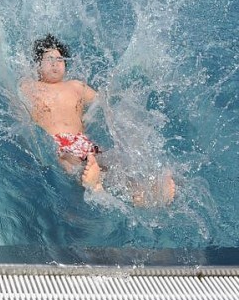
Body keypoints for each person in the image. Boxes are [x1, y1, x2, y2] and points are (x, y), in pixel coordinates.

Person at [20, 34, 175, 204]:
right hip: (57, 143)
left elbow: (104, 101)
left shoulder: (76, 86)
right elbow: (20, 109)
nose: (55, 63)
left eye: (60, 59)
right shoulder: (31, 87)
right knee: (69, 162)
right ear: (37, 64)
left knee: (113, 160)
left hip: (82, 141)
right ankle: (91, 184)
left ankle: (143, 193)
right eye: (49, 59)